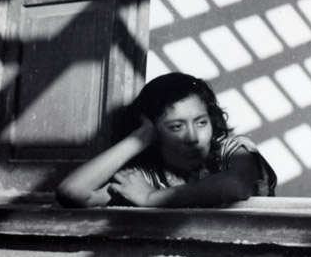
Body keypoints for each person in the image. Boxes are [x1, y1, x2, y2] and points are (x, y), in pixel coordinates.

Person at [56, 73, 277, 208]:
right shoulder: (147, 177)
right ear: (154, 132)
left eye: (201, 122)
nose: (193, 137)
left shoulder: (233, 149)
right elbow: (73, 192)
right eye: (176, 127)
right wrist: (139, 138)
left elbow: (235, 186)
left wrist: (151, 198)